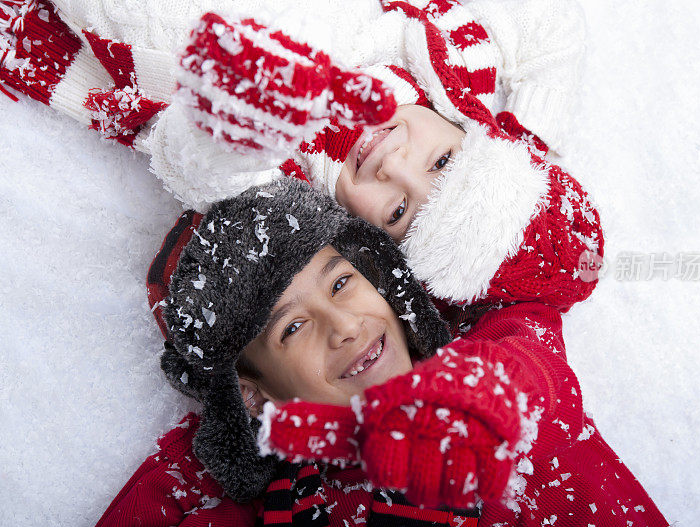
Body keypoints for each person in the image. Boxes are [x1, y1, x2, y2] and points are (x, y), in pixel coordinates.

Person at [95, 178, 671, 527]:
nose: (344, 326)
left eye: (341, 283)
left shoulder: (499, 350)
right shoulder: (277, 503)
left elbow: (557, 261)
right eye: (292, 327)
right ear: (255, 393)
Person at [1, 0, 600, 320]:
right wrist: (531, 136)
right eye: (441, 162)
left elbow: (188, 165)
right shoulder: (452, 58)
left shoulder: (286, 194)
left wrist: (241, 131)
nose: (395, 162)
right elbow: (549, 30)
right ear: (470, 127)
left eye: (396, 209)